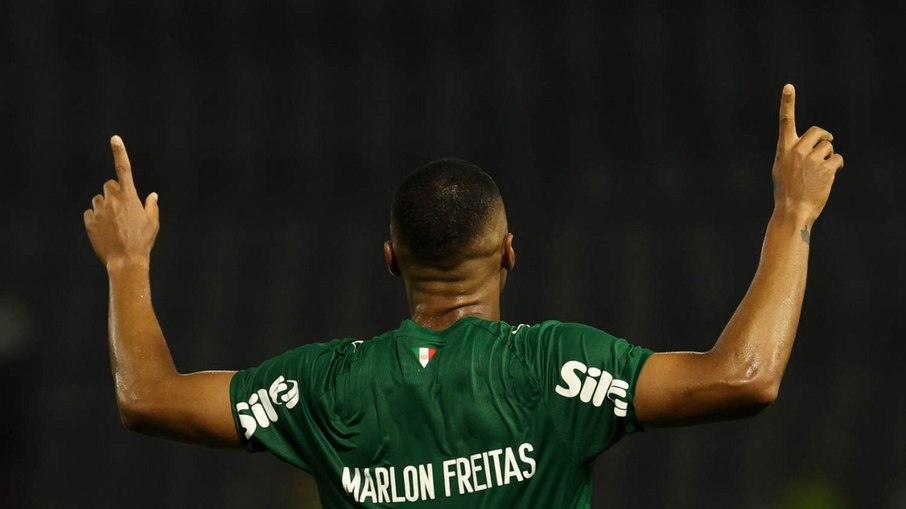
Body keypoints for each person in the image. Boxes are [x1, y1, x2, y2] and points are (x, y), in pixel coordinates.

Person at [83, 84, 843, 508]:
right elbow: (745, 376)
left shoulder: (326, 387)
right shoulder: (554, 368)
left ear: (389, 260)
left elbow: (146, 397)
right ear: (510, 253)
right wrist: (792, 214)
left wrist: (126, 263)